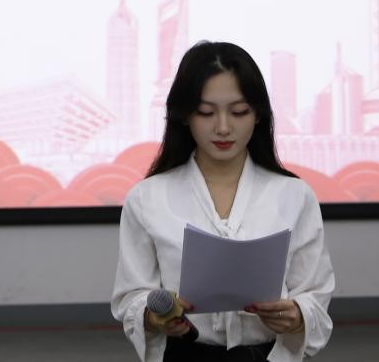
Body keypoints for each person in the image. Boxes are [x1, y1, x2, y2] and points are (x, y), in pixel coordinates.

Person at [112, 41, 334, 361]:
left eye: (239, 112)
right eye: (206, 112)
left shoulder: (294, 195)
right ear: (184, 115)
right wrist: (153, 315)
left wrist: (298, 316)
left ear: (258, 115)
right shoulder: (147, 198)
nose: (223, 127)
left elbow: (315, 291)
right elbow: (130, 297)